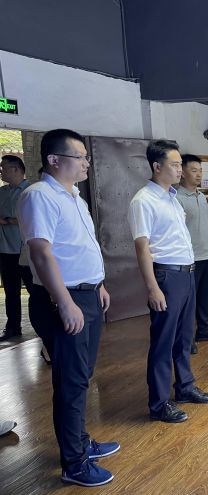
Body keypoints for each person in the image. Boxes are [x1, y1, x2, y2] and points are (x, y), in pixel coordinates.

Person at [17, 129, 118, 487]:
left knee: (81, 376)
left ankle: (81, 442)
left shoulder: (74, 196)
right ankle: (74, 463)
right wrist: (65, 302)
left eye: (87, 157)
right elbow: (42, 254)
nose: (87, 163)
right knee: (71, 381)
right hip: (63, 299)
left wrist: (99, 284)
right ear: (54, 160)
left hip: (87, 295)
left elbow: (79, 246)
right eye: (81, 157)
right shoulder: (39, 196)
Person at [128, 140, 208, 424]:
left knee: (184, 337)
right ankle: (159, 403)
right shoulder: (144, 200)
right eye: (175, 165)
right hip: (166, 276)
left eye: (180, 165)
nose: (180, 170)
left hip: (186, 273)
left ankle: (185, 387)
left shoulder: (171, 197)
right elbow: (142, 248)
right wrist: (153, 287)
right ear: (157, 166)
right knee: (163, 341)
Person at [176, 154, 208, 355]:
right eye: (194, 170)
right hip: (190, 258)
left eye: (200, 170)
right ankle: (186, 338)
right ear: (182, 173)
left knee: (205, 297)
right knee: (188, 301)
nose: (198, 174)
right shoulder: (176, 198)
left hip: (207, 255)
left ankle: (204, 330)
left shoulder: (201, 197)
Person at [0, 155, 31, 341]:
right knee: (11, 292)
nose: (1, 171)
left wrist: (7, 220)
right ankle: (12, 328)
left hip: (26, 251)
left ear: (16, 169)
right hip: (5, 250)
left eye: (3, 168)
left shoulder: (30, 191)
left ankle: (45, 327)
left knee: (36, 292)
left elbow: (31, 218)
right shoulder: (2, 192)